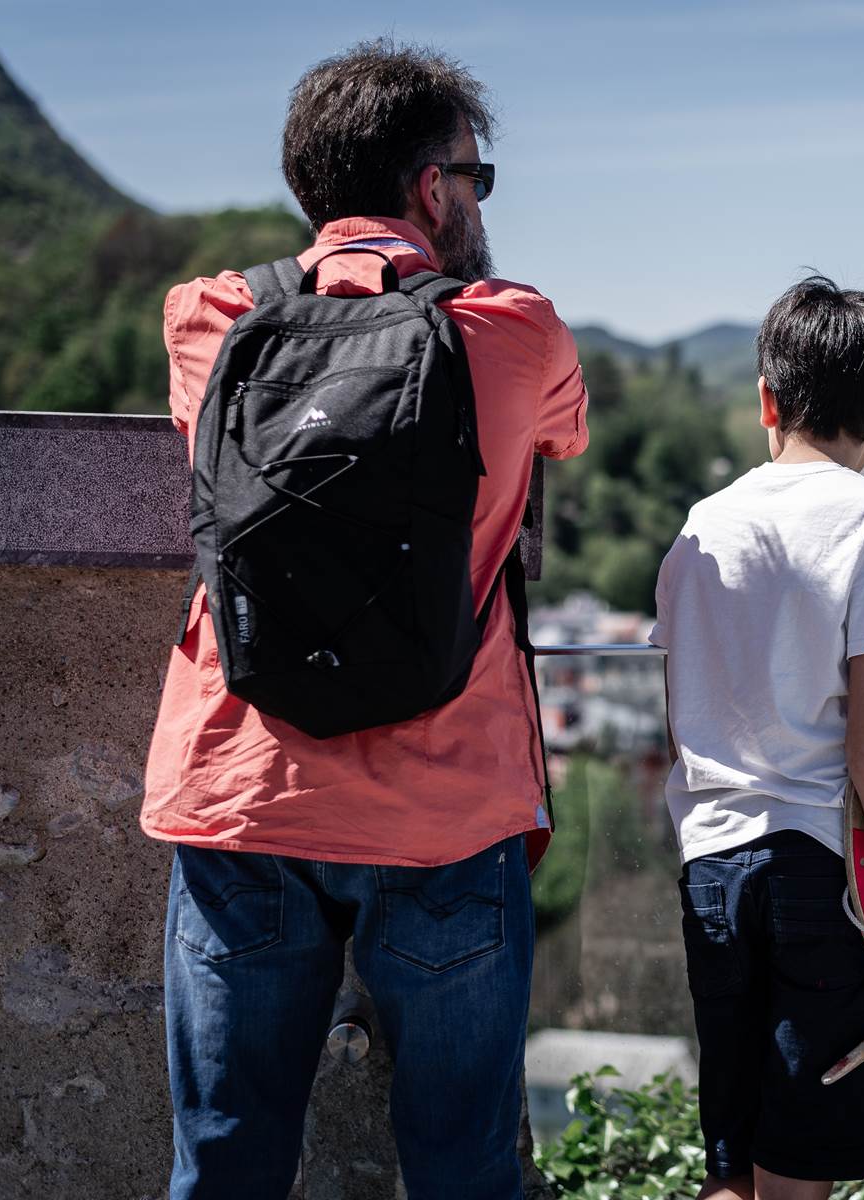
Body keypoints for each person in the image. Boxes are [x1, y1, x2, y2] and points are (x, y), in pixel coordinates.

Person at [141, 41, 588, 1200]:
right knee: (463, 1171)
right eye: (475, 179)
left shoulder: (210, 319)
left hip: (244, 794)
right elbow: (563, 436)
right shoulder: (517, 330)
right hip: (446, 809)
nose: (479, 201)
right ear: (431, 188)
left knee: (228, 1165)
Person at [651, 276, 864, 1200]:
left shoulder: (702, 526)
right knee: (797, 1178)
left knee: (731, 1165)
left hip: (712, 868)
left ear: (766, 398)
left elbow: (682, 720)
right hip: (823, 879)